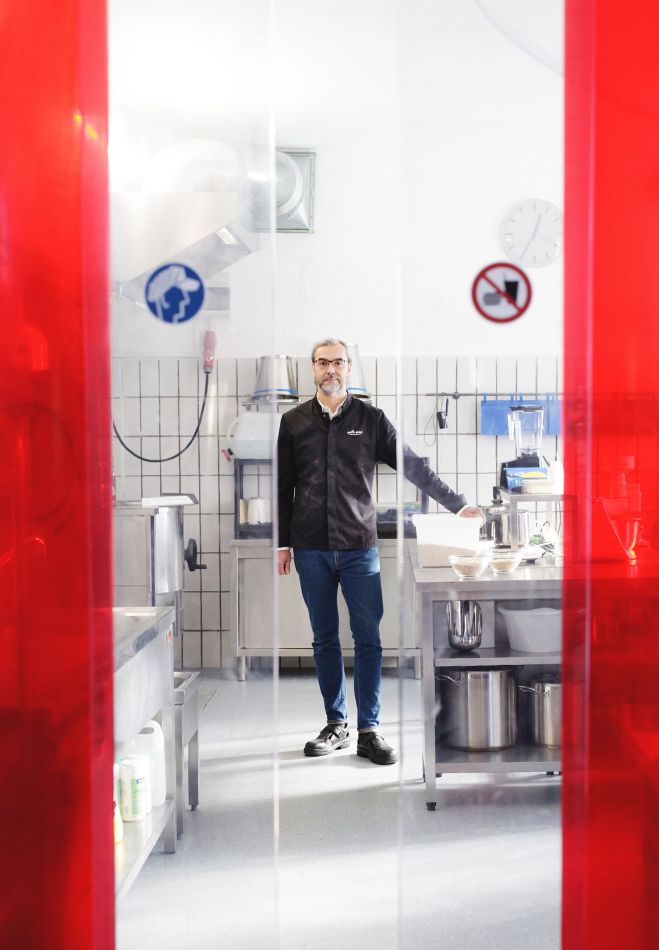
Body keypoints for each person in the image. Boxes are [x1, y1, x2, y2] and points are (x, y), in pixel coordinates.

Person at [277, 339, 483, 765]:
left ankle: (369, 730)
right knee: (324, 638)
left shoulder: (370, 419)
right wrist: (282, 543)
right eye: (322, 362)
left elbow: (413, 465)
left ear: (348, 368)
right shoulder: (292, 422)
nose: (330, 370)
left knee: (368, 639)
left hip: (359, 546)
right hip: (311, 547)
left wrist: (457, 504)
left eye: (338, 362)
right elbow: (283, 485)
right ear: (312, 368)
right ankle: (336, 724)